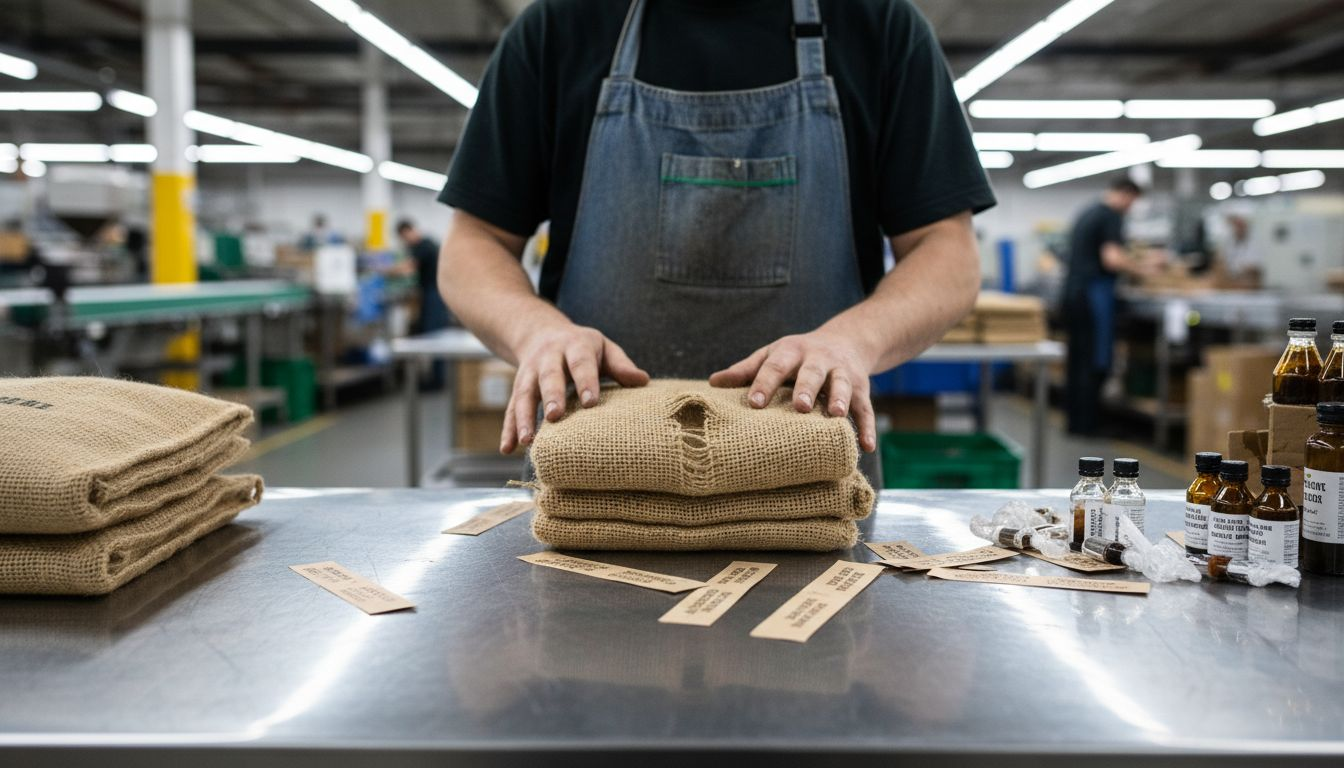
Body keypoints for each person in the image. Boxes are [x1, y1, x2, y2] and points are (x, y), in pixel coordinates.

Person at [437, 0, 994, 465]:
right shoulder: (560, 26)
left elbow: (946, 250)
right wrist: (536, 332)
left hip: (806, 480)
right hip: (601, 470)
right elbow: (474, 242)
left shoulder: (879, 26)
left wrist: (852, 342)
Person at [1061, 176, 1149, 436]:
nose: (1130, 208)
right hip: (1092, 296)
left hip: (1073, 294)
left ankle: (1075, 422)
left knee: (1077, 361)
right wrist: (1141, 270)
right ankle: (1089, 425)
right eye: (1132, 202)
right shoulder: (1111, 216)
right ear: (1125, 194)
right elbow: (1111, 259)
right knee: (1095, 360)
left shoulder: (1087, 213)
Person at [396, 219, 452, 335]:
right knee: (430, 326)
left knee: (434, 328)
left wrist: (383, 270)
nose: (405, 241)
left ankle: (438, 353)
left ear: (408, 231)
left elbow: (408, 268)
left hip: (435, 291)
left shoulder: (425, 245)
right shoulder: (420, 246)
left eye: (404, 237)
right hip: (431, 290)